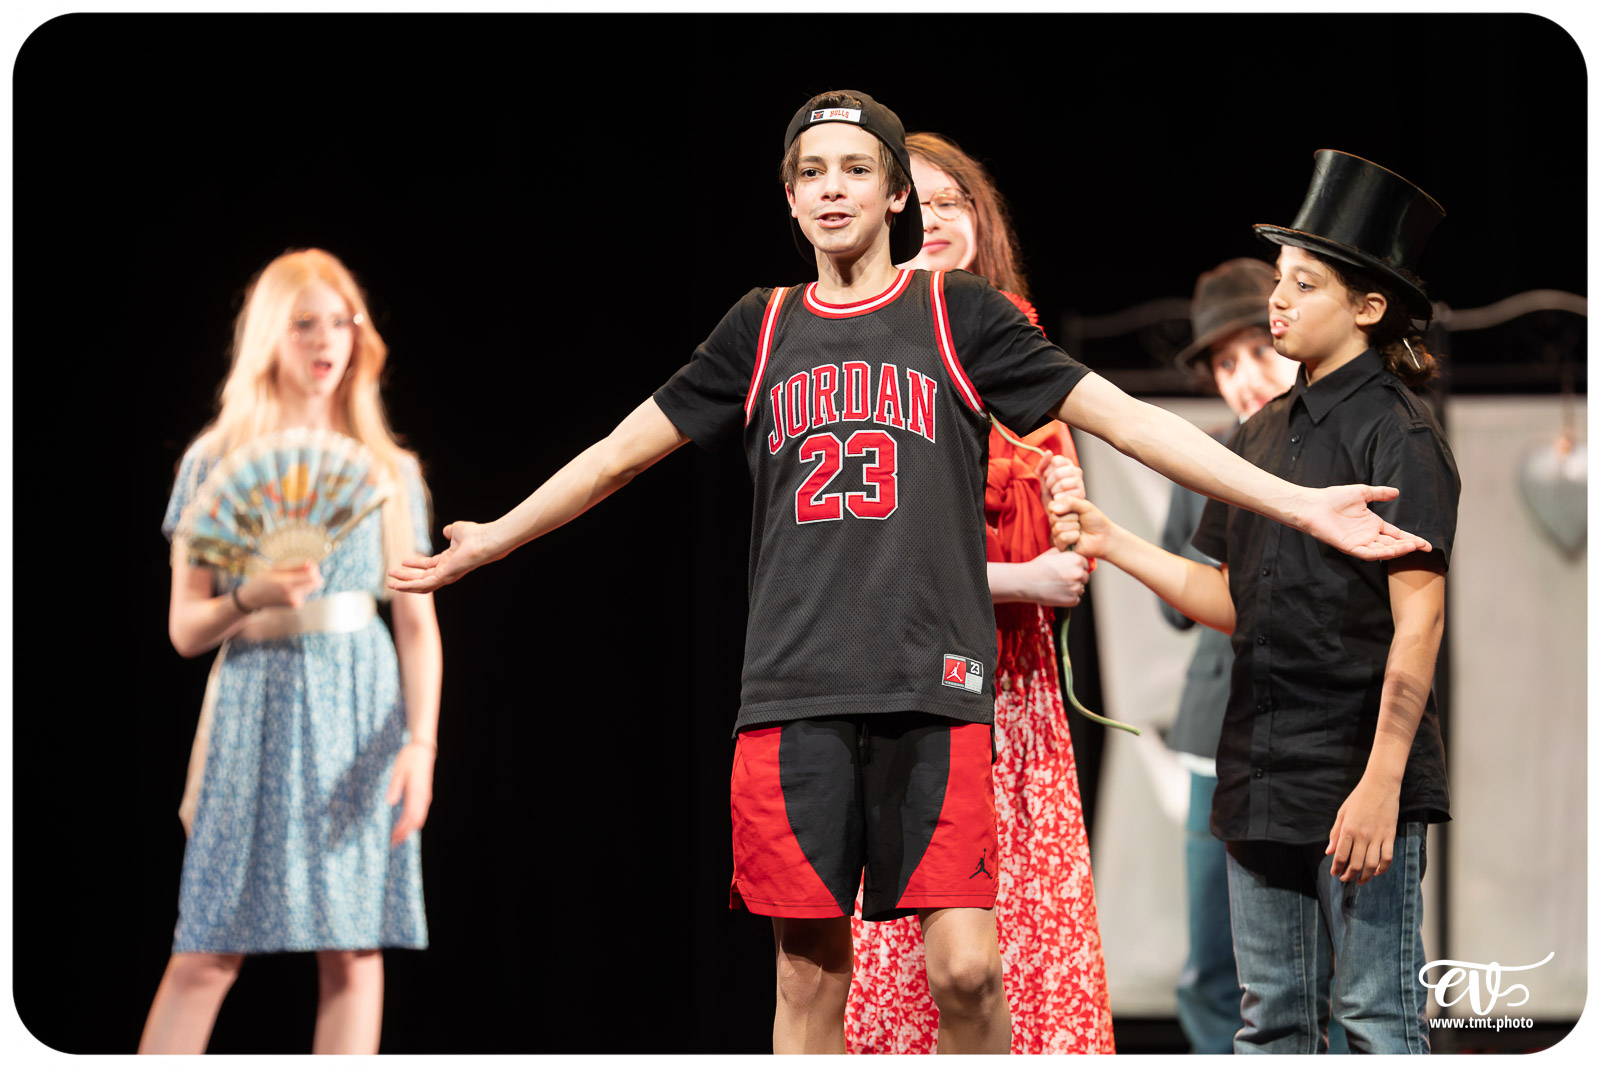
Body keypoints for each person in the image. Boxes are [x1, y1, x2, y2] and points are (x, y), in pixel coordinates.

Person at [387, 93, 1428, 1055]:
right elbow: (620, 451)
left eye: (855, 169)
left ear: (894, 195)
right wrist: (496, 536)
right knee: (808, 972)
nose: (832, 188)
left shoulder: (957, 316)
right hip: (794, 695)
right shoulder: (761, 326)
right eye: (811, 172)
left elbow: (1126, 419)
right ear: (790, 198)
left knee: (969, 970)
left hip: (934, 696)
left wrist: (1295, 502)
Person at [1047, 151, 1456, 1054]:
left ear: (1368, 307)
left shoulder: (1399, 433)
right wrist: (1113, 541)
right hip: (1258, 775)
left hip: (1354, 773)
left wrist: (1382, 783)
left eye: (1304, 285)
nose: (1278, 301)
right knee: (1269, 1021)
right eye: (1278, 279)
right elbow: (1233, 601)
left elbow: (1419, 621)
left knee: (1376, 1016)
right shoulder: (1255, 437)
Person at [842, 130, 1113, 1055]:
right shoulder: (870, 365)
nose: (933, 219)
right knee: (922, 957)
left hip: (1016, 693)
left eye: (950, 200)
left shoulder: (1020, 356)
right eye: (913, 202)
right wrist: (1020, 577)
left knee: (1019, 944)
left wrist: (1067, 520)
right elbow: (873, 564)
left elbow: (1060, 558)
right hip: (908, 689)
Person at [140, 249, 441, 1054]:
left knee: (354, 946)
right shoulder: (213, 461)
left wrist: (421, 745)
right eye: (304, 322)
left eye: (341, 321)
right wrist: (252, 595)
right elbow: (184, 629)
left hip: (361, 708)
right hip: (254, 705)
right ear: (269, 334)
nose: (325, 339)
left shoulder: (388, 470)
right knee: (207, 948)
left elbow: (417, 624)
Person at [1162, 257, 1298, 1053]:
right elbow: (1174, 607)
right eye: (1225, 363)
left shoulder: (1342, 447)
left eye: (1258, 350)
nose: (1245, 376)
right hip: (1215, 734)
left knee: (1322, 954)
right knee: (1212, 962)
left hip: (1314, 733)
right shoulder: (1199, 457)